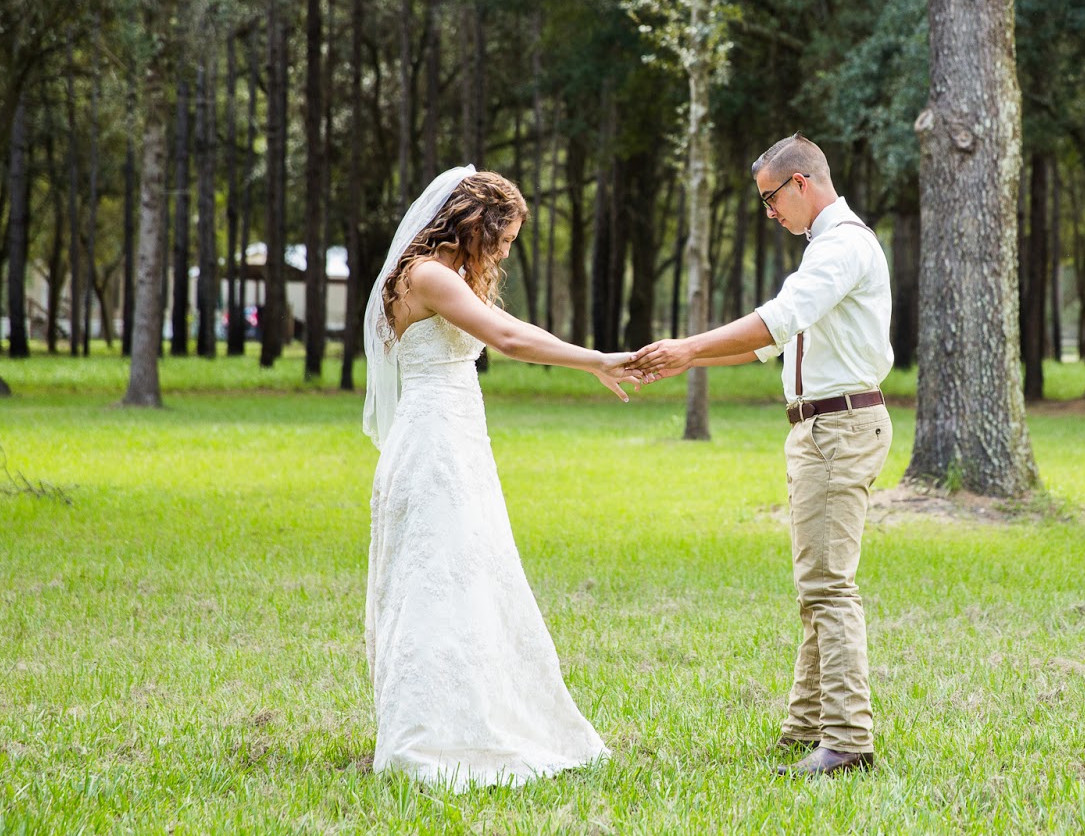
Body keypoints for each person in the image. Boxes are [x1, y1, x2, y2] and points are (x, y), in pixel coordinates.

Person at [361, 165, 636, 789]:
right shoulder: (427, 275)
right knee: (435, 579)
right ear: (472, 224)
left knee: (470, 576)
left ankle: (472, 712)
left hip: (458, 438)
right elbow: (507, 337)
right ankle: (425, 735)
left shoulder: (443, 275)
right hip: (433, 443)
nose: (506, 252)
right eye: (503, 238)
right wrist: (594, 359)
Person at [632, 134, 894, 779]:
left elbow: (778, 321)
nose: (769, 212)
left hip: (839, 427)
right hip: (820, 429)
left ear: (801, 184)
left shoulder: (843, 245)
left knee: (830, 586)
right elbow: (767, 348)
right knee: (816, 585)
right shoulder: (821, 251)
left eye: (772, 198)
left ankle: (849, 741)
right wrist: (683, 364)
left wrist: (688, 346)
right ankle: (805, 728)